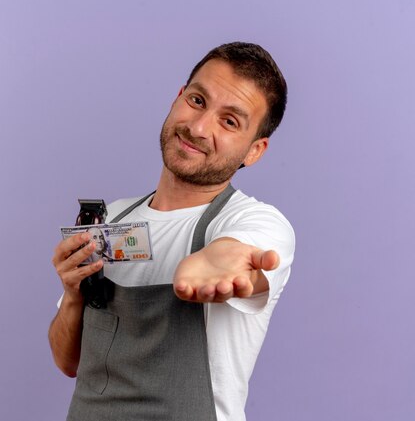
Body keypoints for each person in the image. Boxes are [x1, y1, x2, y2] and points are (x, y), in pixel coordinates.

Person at [49, 42, 295, 421]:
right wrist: (73, 294)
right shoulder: (110, 220)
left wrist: (219, 261)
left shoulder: (255, 223)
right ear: (178, 97)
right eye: (197, 101)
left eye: (230, 121)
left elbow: (238, 253)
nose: (198, 128)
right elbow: (69, 362)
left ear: (254, 150)